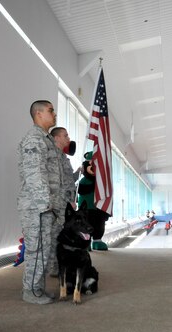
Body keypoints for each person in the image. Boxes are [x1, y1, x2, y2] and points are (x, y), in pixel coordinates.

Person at [17, 100, 63, 304]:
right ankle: (31, 291)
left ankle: (38, 288)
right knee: (36, 249)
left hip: (46, 206)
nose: (54, 114)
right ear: (38, 114)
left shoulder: (46, 140)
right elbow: (35, 174)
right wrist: (45, 205)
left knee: (44, 249)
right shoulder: (34, 139)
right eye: (50, 111)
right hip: (37, 207)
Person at [49, 126, 79, 276]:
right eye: (65, 136)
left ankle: (59, 266)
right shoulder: (53, 157)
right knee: (56, 236)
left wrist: (79, 172)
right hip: (60, 204)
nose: (68, 138)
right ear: (56, 138)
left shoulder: (63, 157)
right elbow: (56, 184)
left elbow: (68, 181)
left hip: (66, 203)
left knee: (61, 235)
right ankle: (54, 268)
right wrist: (68, 201)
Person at [77, 151, 110, 250]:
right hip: (87, 209)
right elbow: (81, 190)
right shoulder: (84, 181)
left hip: (99, 209)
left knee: (99, 225)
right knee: (87, 225)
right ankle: (86, 242)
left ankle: (97, 240)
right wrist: (94, 185)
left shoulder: (103, 182)